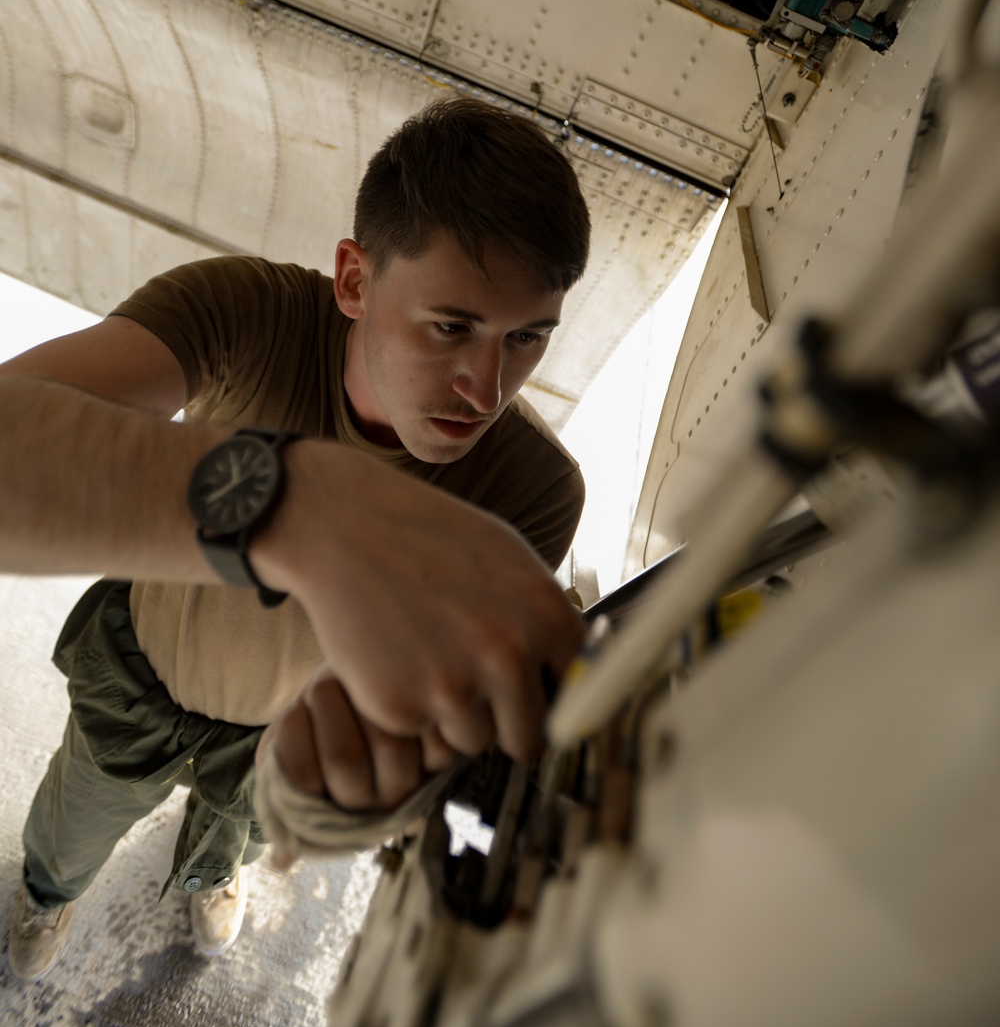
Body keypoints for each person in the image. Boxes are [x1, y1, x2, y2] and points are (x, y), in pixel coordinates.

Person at [4, 96, 590, 979]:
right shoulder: (248, 312)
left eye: (527, 338)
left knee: (231, 843)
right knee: (72, 827)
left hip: (279, 740)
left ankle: (211, 873)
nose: (486, 386)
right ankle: (49, 896)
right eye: (451, 327)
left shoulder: (536, 487)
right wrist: (295, 505)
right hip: (143, 673)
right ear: (354, 281)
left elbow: (434, 690)